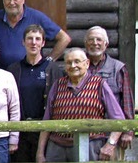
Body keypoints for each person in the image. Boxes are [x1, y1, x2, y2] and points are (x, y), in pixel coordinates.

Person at [36, 48, 125, 162]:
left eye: (77, 61)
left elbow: (119, 118)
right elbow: (47, 121)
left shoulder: (99, 84)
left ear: (86, 63)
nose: (73, 65)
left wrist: (110, 144)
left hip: (90, 145)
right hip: (57, 147)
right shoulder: (57, 85)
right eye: (69, 62)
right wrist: (40, 152)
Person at [6, 24, 63, 162]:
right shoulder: (13, 69)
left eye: (37, 39)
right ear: (23, 42)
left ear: (43, 43)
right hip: (20, 131)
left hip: (45, 132)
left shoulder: (53, 69)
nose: (33, 42)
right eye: (30, 38)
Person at [0, 0, 71, 69]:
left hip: (30, 74)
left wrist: (48, 62)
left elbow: (64, 38)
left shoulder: (37, 17)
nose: (12, 2)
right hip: (2, 76)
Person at [84, 26, 134, 157]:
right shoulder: (77, 66)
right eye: (91, 40)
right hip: (84, 135)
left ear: (106, 44)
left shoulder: (118, 68)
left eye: (99, 40)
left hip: (111, 136)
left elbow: (127, 101)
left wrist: (128, 131)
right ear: (85, 43)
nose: (95, 43)